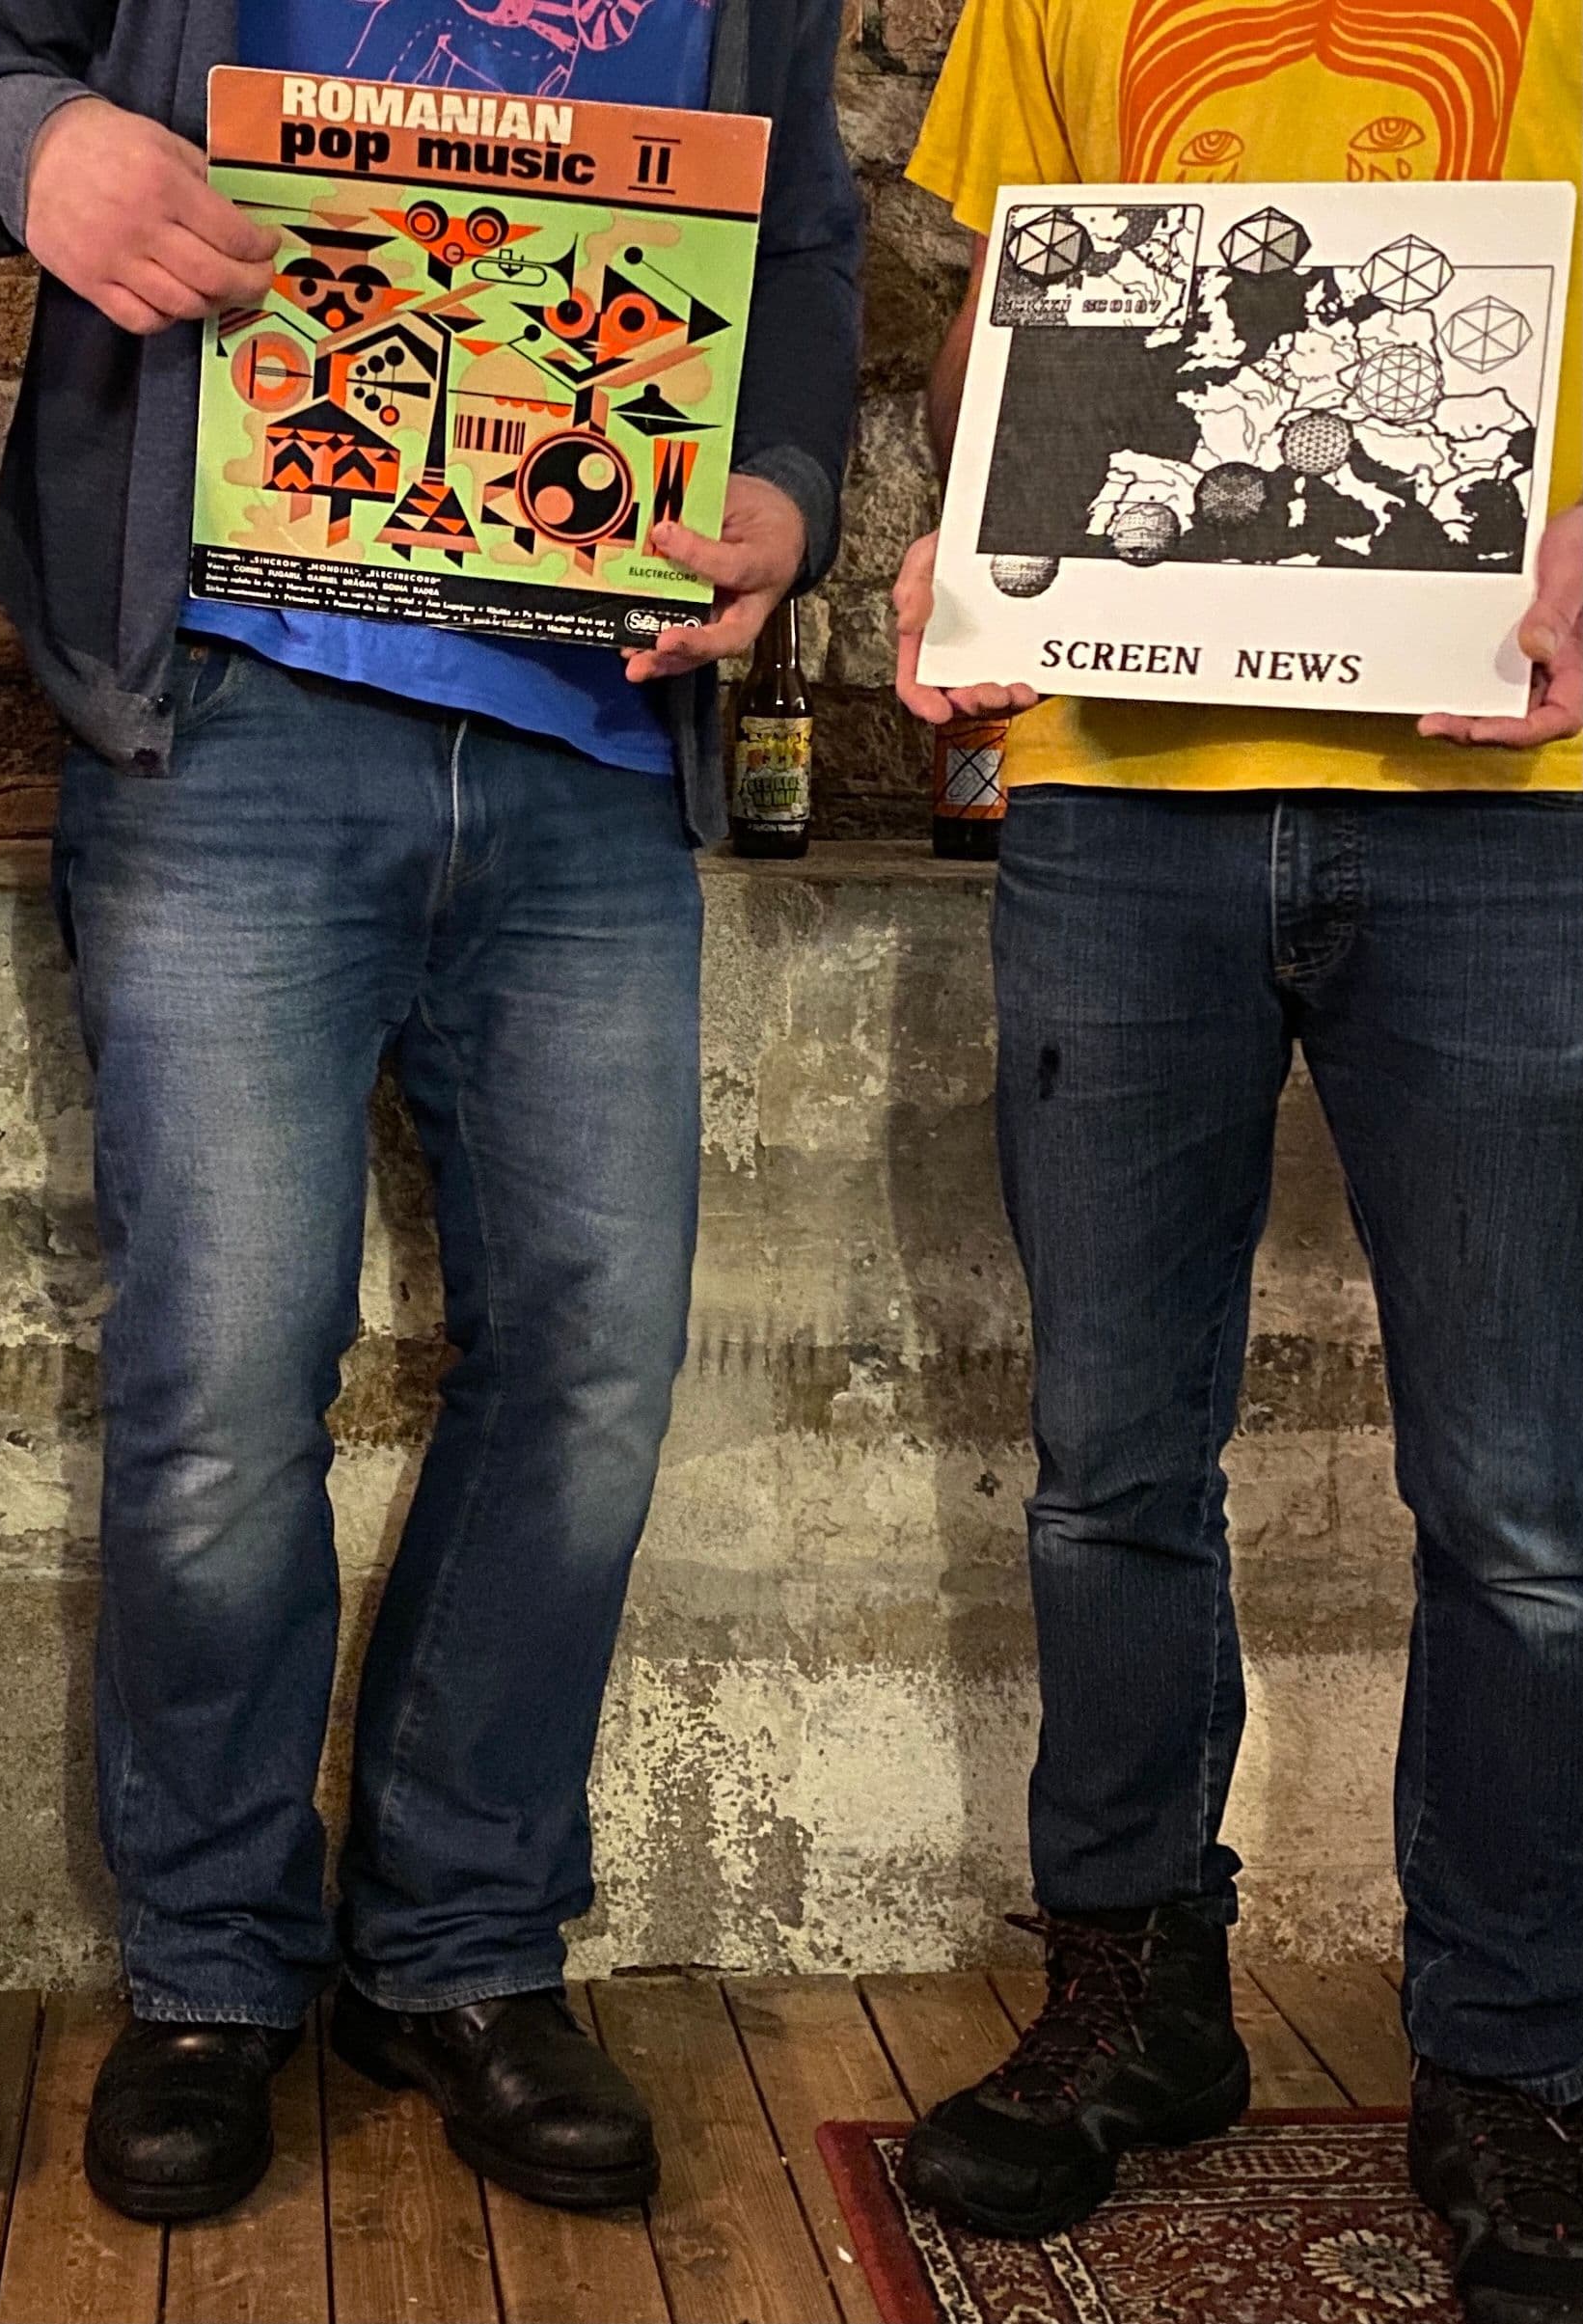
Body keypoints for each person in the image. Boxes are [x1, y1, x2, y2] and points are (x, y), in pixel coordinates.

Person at [0, 0, 861, 2223]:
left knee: (594, 1369)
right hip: (239, 707)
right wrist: (36, 142)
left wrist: (790, 493)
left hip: (593, 734)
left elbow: (800, 242)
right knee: (227, 1375)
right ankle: (211, 1969)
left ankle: (462, 1948)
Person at [887, 2, 1583, 2317]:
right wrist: (968, 542)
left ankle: (1511, 2053)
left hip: (1508, 800)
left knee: (1527, 1503)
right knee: (1106, 1460)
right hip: (1117, 776)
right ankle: (1134, 1994)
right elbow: (1011, 309)